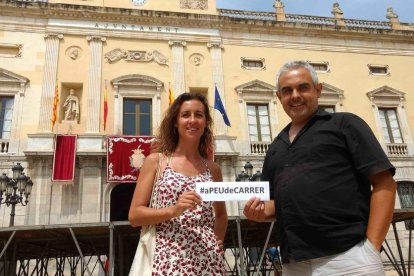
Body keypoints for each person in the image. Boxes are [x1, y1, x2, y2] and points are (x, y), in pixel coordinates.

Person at [243, 60, 397, 276]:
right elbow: (275, 206)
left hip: (349, 258)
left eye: (303, 87)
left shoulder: (345, 125)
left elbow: (384, 183)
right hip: (294, 264)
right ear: (279, 98)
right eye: (287, 91)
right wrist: (258, 212)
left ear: (318, 90)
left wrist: (372, 247)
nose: (295, 95)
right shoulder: (275, 148)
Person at [129, 92, 227, 275]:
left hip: (208, 261)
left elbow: (221, 215)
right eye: (185, 115)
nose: (192, 120)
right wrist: (173, 210)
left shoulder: (213, 169)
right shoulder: (156, 162)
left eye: (199, 115)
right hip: (167, 258)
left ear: (206, 122)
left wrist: (217, 241)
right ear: (175, 121)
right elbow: (135, 215)